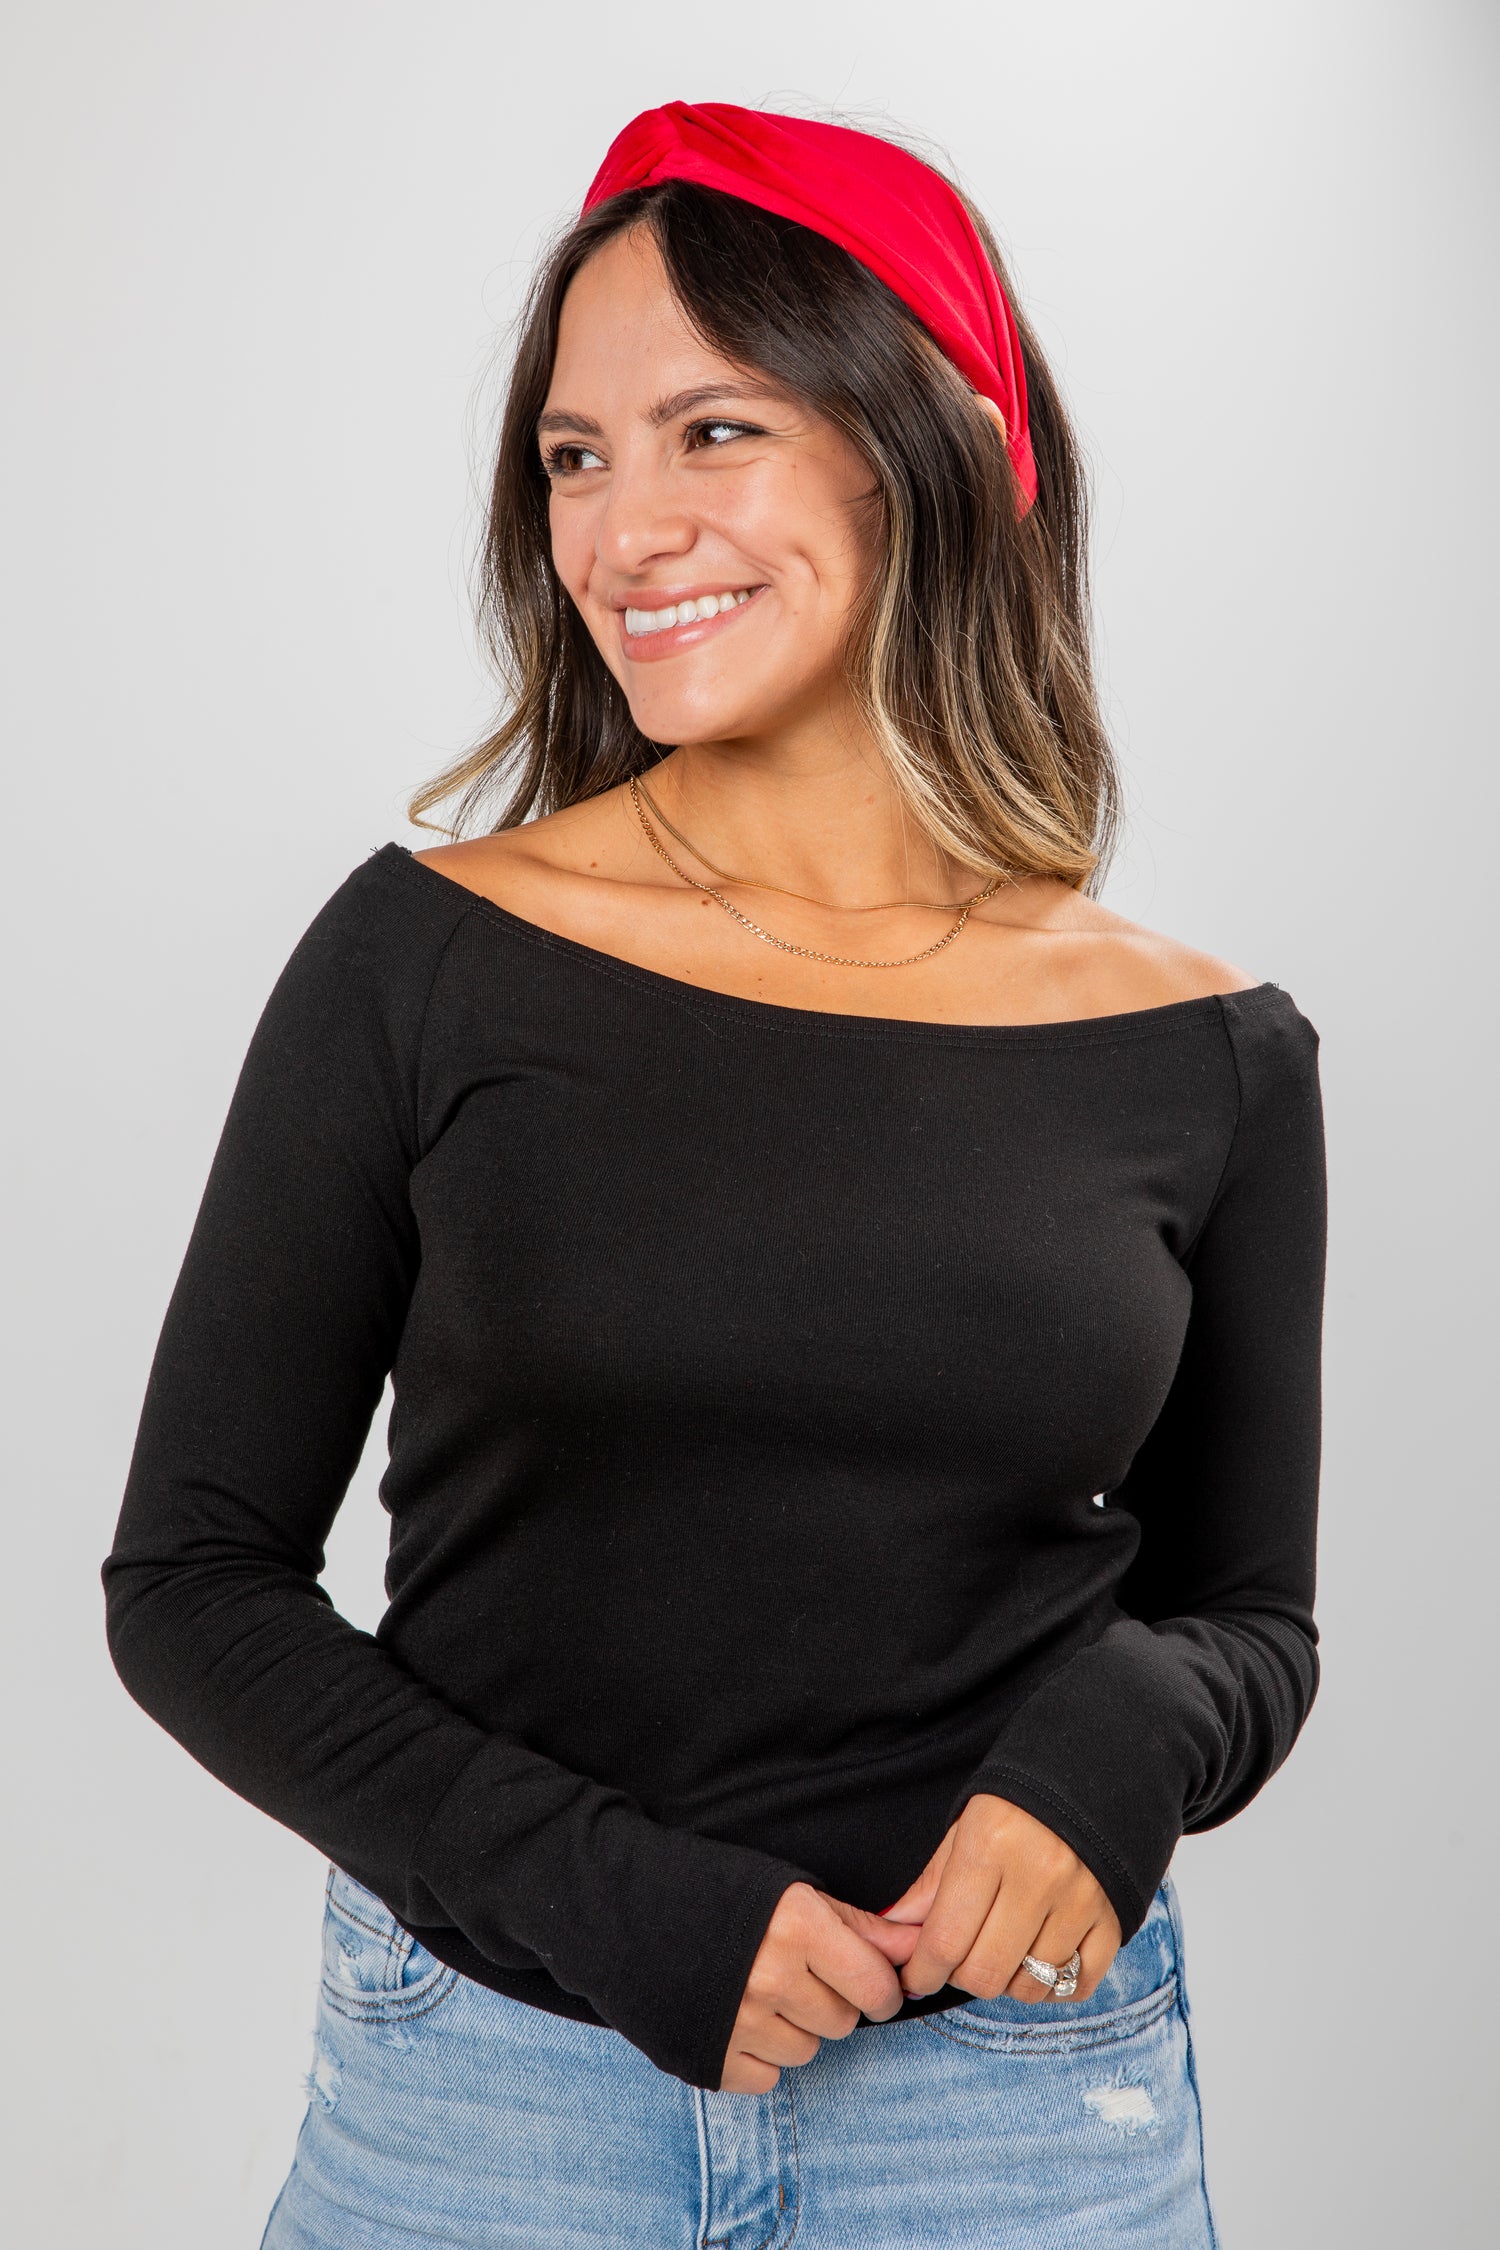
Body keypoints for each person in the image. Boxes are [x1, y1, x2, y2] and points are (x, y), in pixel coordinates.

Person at [104, 101, 1326, 2250]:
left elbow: (1250, 1622)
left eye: (712, 430)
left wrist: (1128, 1726)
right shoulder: (428, 957)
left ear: (926, 446)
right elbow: (192, 1579)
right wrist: (608, 1899)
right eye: (576, 456)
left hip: (1017, 2107)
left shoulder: (1202, 1051)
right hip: (488, 2098)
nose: (625, 529)